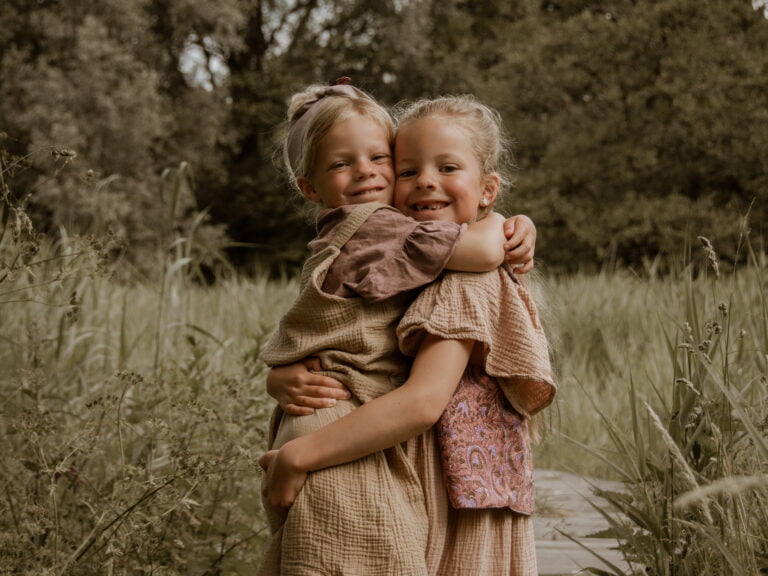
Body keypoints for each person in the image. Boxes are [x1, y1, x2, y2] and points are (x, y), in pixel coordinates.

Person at [260, 94, 556, 576]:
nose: (424, 182)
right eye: (408, 170)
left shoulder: (457, 279)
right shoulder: (397, 241)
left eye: (447, 167)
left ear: (487, 187)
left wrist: (504, 224)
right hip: (373, 454)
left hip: (422, 474)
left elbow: (419, 400)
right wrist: (502, 222)